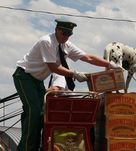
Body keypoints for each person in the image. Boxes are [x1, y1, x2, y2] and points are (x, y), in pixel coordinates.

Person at [12, 17, 118, 151]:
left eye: (69, 34)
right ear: (56, 30)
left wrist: (109, 64)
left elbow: (88, 57)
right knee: (33, 111)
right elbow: (53, 67)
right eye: (64, 33)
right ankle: (26, 149)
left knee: (39, 114)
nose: (66, 37)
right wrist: (73, 74)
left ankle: (33, 146)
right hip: (24, 76)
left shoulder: (66, 46)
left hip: (37, 81)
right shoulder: (47, 42)